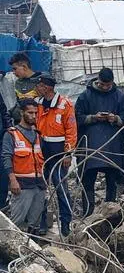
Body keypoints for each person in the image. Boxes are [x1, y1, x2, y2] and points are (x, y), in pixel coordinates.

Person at [74, 67, 124, 216]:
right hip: (90, 146)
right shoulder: (85, 96)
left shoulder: (119, 97)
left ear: (112, 82)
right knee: (88, 180)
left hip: (112, 146)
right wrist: (93, 118)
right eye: (102, 84)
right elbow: (76, 117)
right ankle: (88, 214)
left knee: (111, 181)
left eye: (108, 85)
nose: (105, 88)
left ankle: (110, 213)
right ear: (97, 81)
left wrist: (116, 119)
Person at [35, 74, 76, 237]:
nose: (37, 88)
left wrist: (68, 153)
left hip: (58, 150)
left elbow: (71, 130)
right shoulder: (37, 104)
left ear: (48, 87)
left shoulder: (65, 104)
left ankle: (66, 223)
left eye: (40, 86)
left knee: (60, 187)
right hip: (41, 149)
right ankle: (42, 222)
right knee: (41, 187)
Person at [3, 98, 46, 232]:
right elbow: (6, 158)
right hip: (22, 186)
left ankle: (33, 250)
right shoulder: (12, 134)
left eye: (35, 113)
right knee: (16, 223)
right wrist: (13, 180)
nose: (33, 116)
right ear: (22, 113)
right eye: (30, 113)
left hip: (39, 185)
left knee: (35, 224)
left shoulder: (38, 135)